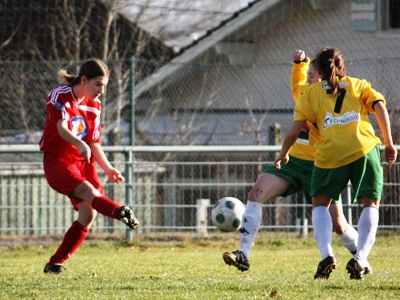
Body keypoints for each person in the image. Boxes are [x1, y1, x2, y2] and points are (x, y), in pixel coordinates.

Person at [223, 50, 361, 279]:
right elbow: (297, 82)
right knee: (256, 192)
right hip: (292, 162)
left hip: (321, 165)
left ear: (328, 76)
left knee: (338, 224)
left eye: (313, 76)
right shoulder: (306, 91)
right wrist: (299, 64)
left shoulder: (336, 100)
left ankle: (360, 258)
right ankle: (243, 254)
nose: (308, 80)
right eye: (308, 76)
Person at [275, 47, 397, 280]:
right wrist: (389, 143)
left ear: (318, 71)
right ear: (343, 69)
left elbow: (294, 128)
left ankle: (326, 256)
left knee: (320, 204)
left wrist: (283, 153)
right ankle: (360, 258)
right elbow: (380, 106)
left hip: (330, 153)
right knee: (370, 204)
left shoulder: (310, 93)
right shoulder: (357, 84)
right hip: (363, 148)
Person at [39, 59, 140, 274]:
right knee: (89, 192)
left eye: (104, 86)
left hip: (83, 161)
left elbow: (94, 143)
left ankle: (54, 264)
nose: (101, 91)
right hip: (58, 159)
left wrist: (109, 168)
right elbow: (61, 127)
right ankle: (120, 211)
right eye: (98, 84)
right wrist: (79, 143)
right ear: (83, 80)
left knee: (88, 215)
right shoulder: (60, 95)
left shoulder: (95, 105)